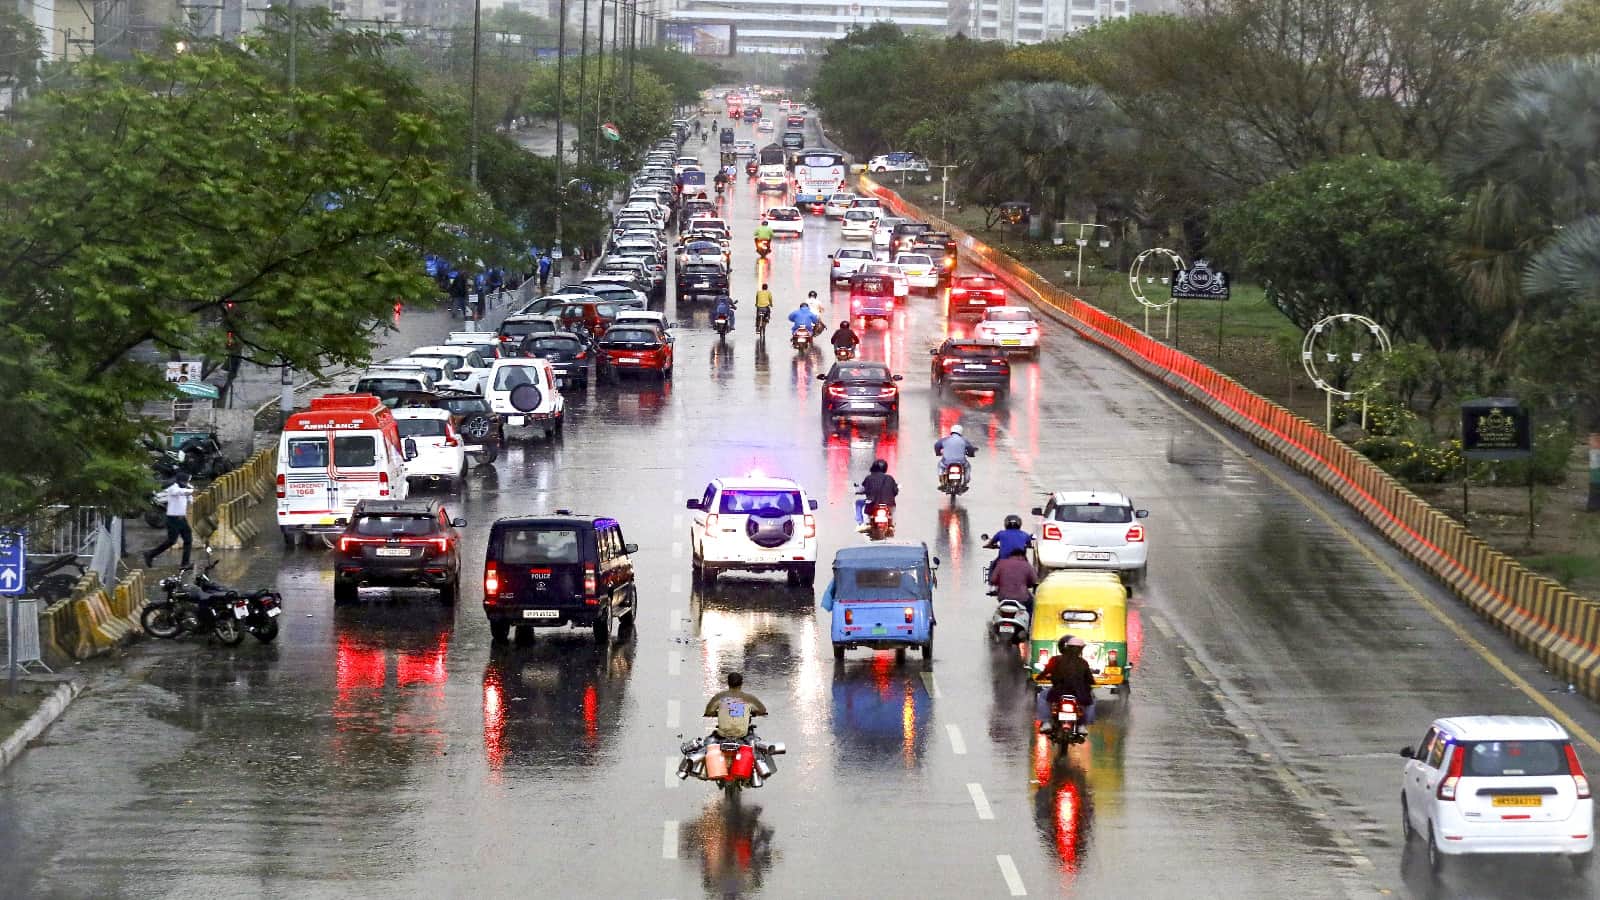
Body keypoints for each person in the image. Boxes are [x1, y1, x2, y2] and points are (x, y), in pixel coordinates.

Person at [1037, 636, 1096, 733]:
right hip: (1080, 693)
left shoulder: (1055, 659)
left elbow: (1045, 672)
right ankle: (1082, 726)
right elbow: (1090, 680)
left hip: (1058, 692)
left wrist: (1039, 678)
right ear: (1081, 649)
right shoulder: (1083, 663)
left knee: (1042, 696)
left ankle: (1046, 722)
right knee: (1092, 701)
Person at [144, 472, 196, 569]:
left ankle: (185, 563)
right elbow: (179, 492)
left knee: (188, 540)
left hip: (182, 518)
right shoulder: (173, 488)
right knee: (171, 541)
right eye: (186, 481)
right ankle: (150, 554)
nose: (187, 483)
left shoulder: (185, 489)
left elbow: (190, 501)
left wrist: (189, 493)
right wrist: (190, 490)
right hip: (173, 519)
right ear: (181, 481)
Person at [704, 672, 769, 740]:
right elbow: (762, 710)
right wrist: (752, 713)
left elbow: (708, 712)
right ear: (741, 683)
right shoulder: (749, 698)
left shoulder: (719, 697)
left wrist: (719, 713)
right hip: (742, 734)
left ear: (728, 683)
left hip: (723, 734)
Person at [855, 459, 898, 530]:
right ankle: (891, 525)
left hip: (872, 503)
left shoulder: (869, 478)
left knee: (858, 502)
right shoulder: (890, 478)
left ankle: (861, 523)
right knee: (892, 511)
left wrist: (857, 491)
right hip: (889, 505)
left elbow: (863, 489)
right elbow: (895, 491)